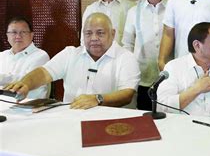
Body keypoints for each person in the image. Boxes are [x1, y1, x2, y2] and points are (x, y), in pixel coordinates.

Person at [5, 13, 140, 109]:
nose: (93, 38)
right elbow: (44, 73)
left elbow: (127, 94)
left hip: (113, 121)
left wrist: (97, 99)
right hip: (72, 118)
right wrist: (26, 84)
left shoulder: (126, 58)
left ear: (113, 33)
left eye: (100, 33)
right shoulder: (70, 54)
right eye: (88, 33)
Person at [157, 22, 210, 119]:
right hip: (183, 130)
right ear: (197, 45)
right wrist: (197, 89)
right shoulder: (174, 68)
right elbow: (162, 107)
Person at [122, 0, 168, 110]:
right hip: (143, 77)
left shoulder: (175, 7)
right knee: (145, 120)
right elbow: (127, 43)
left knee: (171, 117)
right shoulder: (134, 11)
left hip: (170, 75)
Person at [0, 17, 50, 99]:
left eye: (23, 32)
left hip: (29, 107)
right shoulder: (2, 56)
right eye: (13, 32)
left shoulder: (41, 56)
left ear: (31, 35)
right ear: (7, 36)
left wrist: (1, 78)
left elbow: (26, 80)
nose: (18, 36)